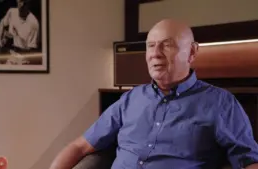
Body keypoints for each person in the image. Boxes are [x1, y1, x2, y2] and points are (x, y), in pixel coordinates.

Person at [49, 19, 258, 169]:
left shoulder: (220, 103)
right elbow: (79, 146)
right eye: (150, 46)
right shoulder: (130, 99)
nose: (155, 53)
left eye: (167, 45)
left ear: (192, 52)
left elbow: (249, 160)